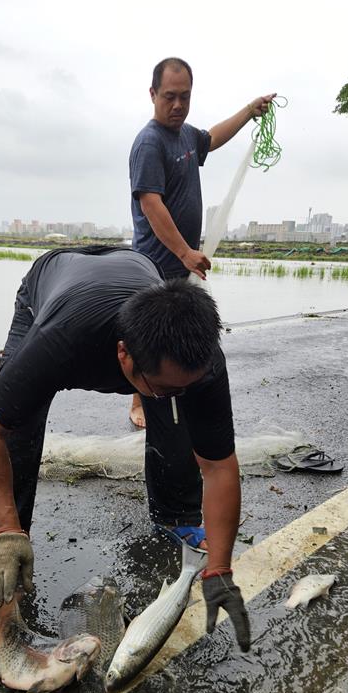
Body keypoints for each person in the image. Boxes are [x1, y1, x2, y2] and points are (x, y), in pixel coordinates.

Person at [0, 245, 250, 650]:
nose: (177, 393)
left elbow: (219, 467)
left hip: (131, 271)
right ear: (123, 356)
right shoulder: (59, 340)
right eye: (164, 386)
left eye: (187, 384)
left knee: (176, 418)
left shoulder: (204, 366)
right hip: (52, 287)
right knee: (19, 421)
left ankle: (175, 513)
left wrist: (218, 567)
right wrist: (7, 532)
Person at [127, 57, 275, 429]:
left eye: (185, 97)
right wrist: (185, 251)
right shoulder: (149, 142)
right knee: (148, 337)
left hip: (182, 262)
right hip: (154, 261)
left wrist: (248, 111)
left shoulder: (186, 135)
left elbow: (211, 138)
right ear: (153, 94)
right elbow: (150, 202)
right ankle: (139, 402)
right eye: (169, 97)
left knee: (176, 335)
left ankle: (175, 394)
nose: (177, 105)